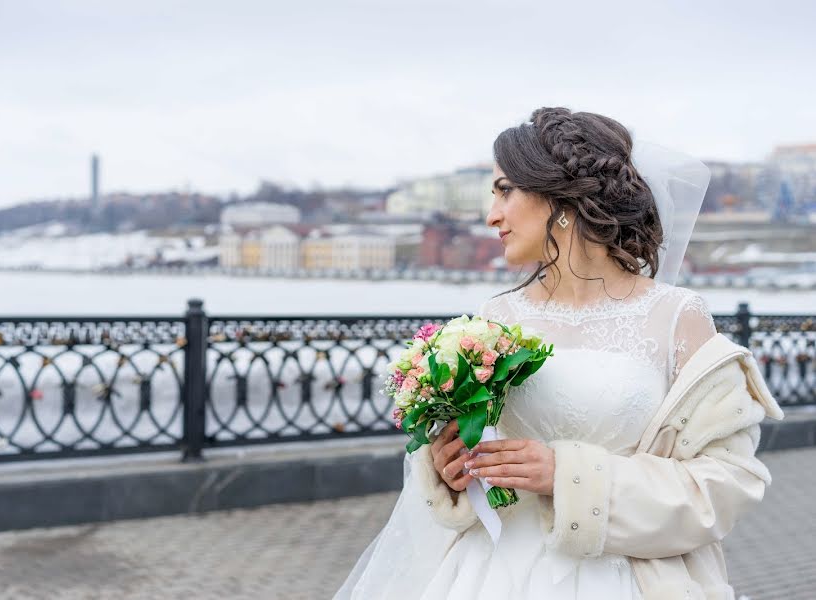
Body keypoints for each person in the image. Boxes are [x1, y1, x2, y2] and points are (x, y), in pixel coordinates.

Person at [334, 107, 783, 600]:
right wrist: (450, 469)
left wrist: (566, 477)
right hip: (490, 572)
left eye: (505, 190)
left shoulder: (677, 317)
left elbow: (727, 484)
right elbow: (478, 449)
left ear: (560, 199)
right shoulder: (495, 315)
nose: (492, 215)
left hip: (626, 577)